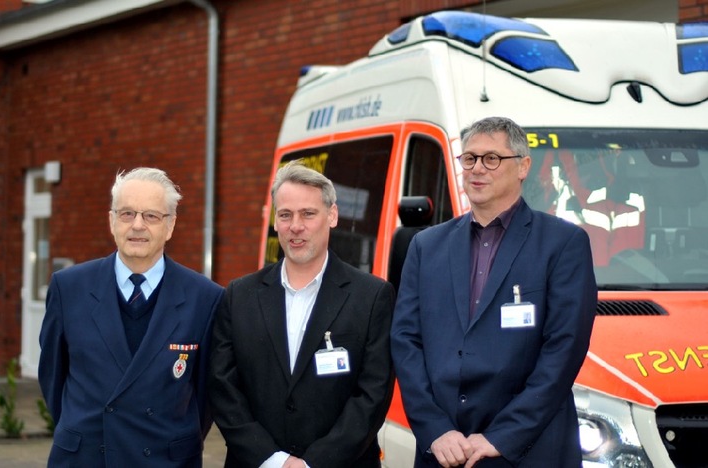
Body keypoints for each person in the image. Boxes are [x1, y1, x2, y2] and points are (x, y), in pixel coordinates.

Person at [391, 117, 597, 468]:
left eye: (491, 159)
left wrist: (503, 435)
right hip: (443, 449)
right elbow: (405, 339)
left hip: (527, 450)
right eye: (469, 159)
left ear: (523, 166)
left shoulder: (563, 243)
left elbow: (564, 349)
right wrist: (435, 429)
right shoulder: (426, 246)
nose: (477, 169)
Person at [208, 160, 396, 467]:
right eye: (285, 215)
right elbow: (223, 387)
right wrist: (274, 460)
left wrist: (313, 464)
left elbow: (372, 395)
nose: (296, 226)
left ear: (332, 215)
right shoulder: (239, 296)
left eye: (308, 213)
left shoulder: (372, 296)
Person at [38, 167, 224, 467]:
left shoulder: (206, 298)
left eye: (151, 216)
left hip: (165, 460)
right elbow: (52, 377)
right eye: (126, 214)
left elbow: (206, 397)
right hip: (86, 459)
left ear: (171, 225)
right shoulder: (68, 288)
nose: (137, 225)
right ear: (112, 221)